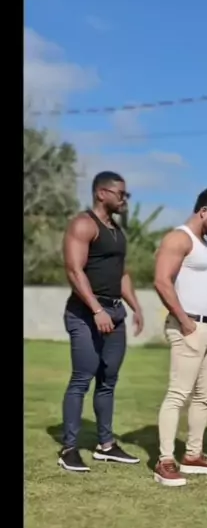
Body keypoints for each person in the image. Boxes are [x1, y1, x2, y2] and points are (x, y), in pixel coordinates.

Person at [58, 171, 144, 473]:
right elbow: (74, 270)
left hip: (115, 314)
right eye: (121, 193)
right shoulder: (83, 224)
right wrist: (96, 309)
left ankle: (106, 446)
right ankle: (69, 448)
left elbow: (121, 274)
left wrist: (136, 307)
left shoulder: (117, 231)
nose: (125, 199)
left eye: (126, 194)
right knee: (82, 379)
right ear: (101, 193)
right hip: (85, 314)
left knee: (108, 381)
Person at [153, 186, 207, 486]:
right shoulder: (179, 238)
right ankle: (164, 461)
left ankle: (193, 455)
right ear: (203, 211)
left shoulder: (205, 245)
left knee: (205, 396)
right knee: (178, 394)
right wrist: (185, 321)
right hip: (189, 326)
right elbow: (162, 281)